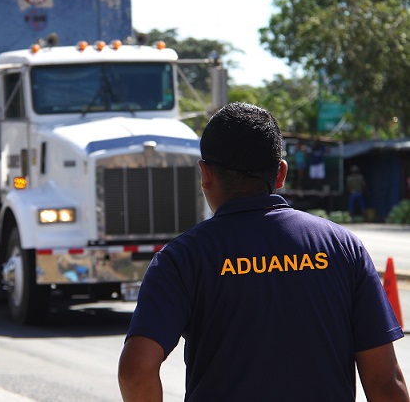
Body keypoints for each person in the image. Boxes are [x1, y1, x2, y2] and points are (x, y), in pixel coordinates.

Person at [118, 102, 408, 402]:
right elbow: (385, 383)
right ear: (280, 174)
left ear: (205, 174)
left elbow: (135, 372)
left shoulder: (181, 259)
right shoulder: (342, 248)